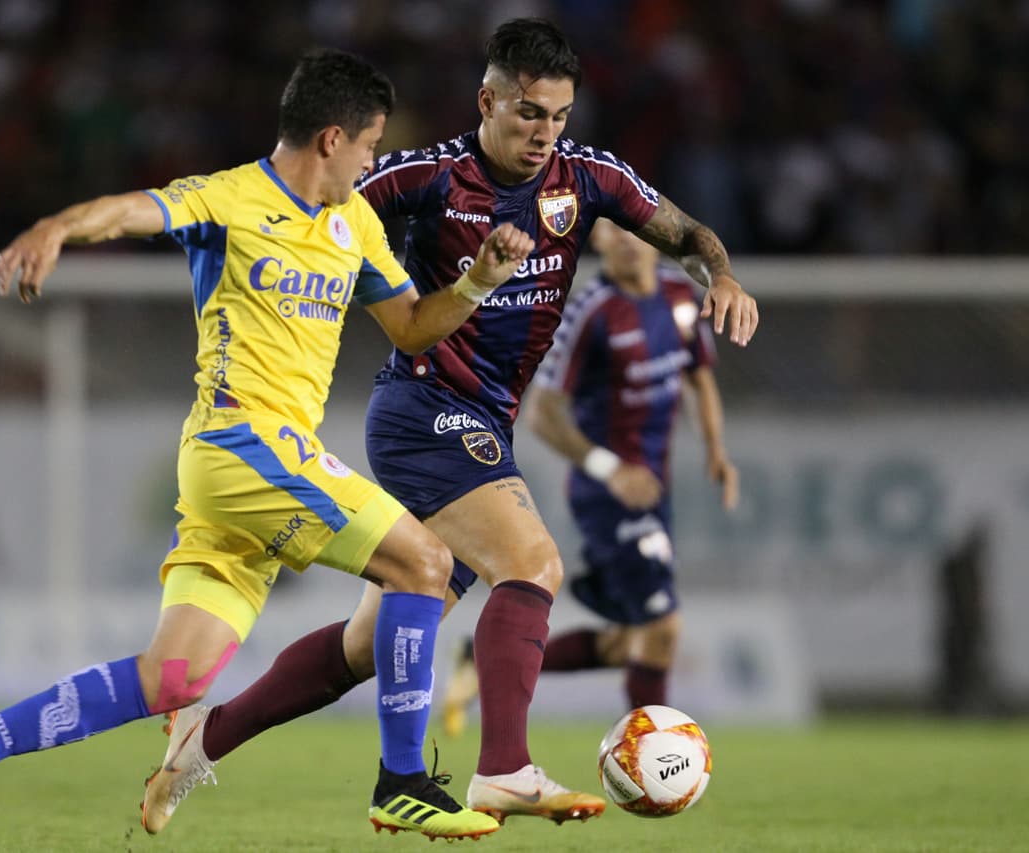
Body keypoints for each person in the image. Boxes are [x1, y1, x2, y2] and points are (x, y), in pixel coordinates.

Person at [0, 48, 536, 851]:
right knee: (425, 563)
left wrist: (478, 282)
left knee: (175, 676)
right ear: (332, 138)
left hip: (252, 468)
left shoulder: (356, 224)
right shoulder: (231, 198)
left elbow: (413, 325)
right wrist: (57, 227)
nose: (376, 161)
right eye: (372, 145)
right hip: (241, 441)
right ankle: (404, 783)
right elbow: (130, 211)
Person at [140, 17, 758, 831]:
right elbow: (305, 196)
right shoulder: (425, 176)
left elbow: (686, 234)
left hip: (483, 423)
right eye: (529, 112)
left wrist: (723, 276)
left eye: (560, 116)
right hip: (424, 409)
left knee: (367, 647)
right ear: (488, 100)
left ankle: (201, 739)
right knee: (533, 565)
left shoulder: (589, 179)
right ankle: (504, 767)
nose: (545, 133)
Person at [441, 218, 739, 730]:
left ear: (653, 238)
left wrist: (716, 450)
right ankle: (653, 750)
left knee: (630, 641)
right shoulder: (590, 312)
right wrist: (610, 469)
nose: (625, 238)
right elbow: (543, 415)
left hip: (653, 492)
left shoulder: (678, 297)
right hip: (607, 495)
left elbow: (700, 377)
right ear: (597, 241)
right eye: (612, 230)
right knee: (662, 629)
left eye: (633, 230)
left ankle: (480, 660)